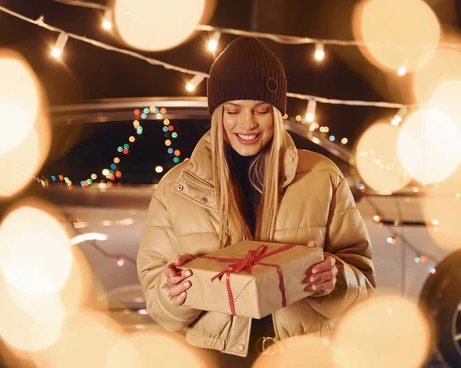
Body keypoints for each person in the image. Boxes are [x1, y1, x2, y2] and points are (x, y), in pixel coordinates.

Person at [137, 37, 375, 366]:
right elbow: (157, 300)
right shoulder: (176, 188)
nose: (247, 123)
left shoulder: (323, 176)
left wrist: (336, 280)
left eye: (261, 110)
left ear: (277, 113)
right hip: (214, 359)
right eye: (233, 111)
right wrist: (175, 292)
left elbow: (363, 283)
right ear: (216, 113)